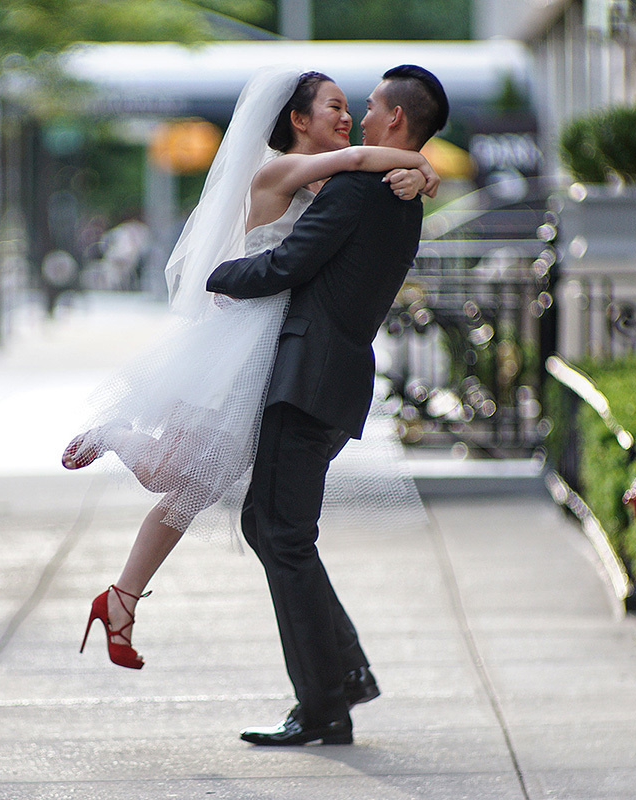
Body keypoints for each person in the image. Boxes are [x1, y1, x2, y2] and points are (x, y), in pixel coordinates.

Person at [67, 68, 437, 670]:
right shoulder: (279, 169)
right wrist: (422, 169)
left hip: (273, 349)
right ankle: (111, 433)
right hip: (239, 340)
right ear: (298, 120)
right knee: (169, 473)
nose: (347, 120)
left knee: (198, 485)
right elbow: (372, 158)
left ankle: (121, 600)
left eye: (352, 109)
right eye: (336, 108)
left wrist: (418, 170)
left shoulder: (329, 180)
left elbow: (366, 173)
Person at [205, 64, 450, 746]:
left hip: (310, 381)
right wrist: (424, 169)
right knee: (271, 527)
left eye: (370, 106)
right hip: (329, 381)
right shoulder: (402, 191)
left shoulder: (362, 190)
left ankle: (325, 705)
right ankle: (340, 680)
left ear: (396, 120)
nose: (363, 117)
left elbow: (287, 266)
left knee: (280, 533)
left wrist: (213, 274)